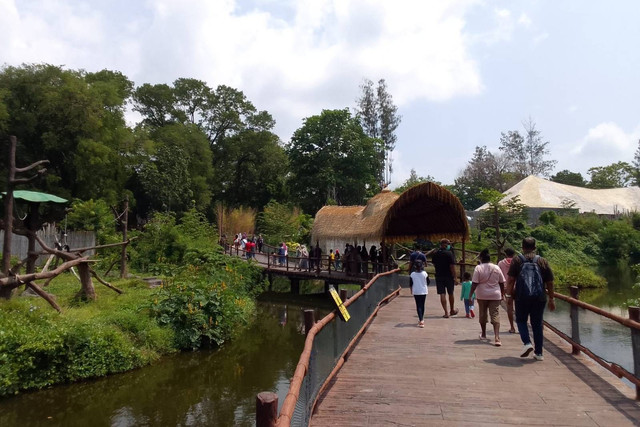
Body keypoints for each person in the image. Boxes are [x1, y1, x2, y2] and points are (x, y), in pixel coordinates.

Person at [506, 237, 555, 361]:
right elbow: (550, 282)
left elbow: (511, 280)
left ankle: (527, 343)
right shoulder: (542, 261)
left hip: (521, 297)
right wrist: (552, 299)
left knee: (521, 320)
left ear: (522, 247)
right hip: (539, 297)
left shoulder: (517, 260)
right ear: (535, 247)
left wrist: (508, 296)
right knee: (537, 324)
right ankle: (539, 353)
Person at [469, 249, 506, 346]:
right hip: (495, 294)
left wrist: (470, 295)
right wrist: (502, 294)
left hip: (482, 295)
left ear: (481, 258)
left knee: (482, 313)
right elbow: (502, 282)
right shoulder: (496, 268)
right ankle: (497, 337)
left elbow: (474, 283)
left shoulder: (478, 268)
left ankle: (484, 334)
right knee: (495, 314)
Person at [430, 238, 459, 317]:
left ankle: (446, 312)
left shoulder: (435, 253)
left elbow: (434, 264)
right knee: (450, 293)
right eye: (448, 244)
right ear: (444, 244)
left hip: (439, 276)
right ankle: (452, 310)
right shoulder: (449, 254)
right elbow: (452, 267)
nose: (449, 245)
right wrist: (455, 277)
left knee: (442, 293)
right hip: (448, 276)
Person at [498, 248, 517, 333]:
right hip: (517, 287)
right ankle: (521, 326)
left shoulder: (501, 263)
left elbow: (499, 276)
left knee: (509, 308)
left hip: (506, 288)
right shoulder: (517, 262)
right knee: (519, 307)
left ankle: (512, 327)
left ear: (505, 254)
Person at [409, 260, 429, 328]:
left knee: (418, 305)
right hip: (423, 290)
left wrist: (411, 290)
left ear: (415, 266)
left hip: (416, 291)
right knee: (422, 305)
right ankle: (421, 319)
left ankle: (421, 319)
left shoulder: (412, 274)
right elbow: (428, 282)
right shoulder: (425, 273)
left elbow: (410, 283)